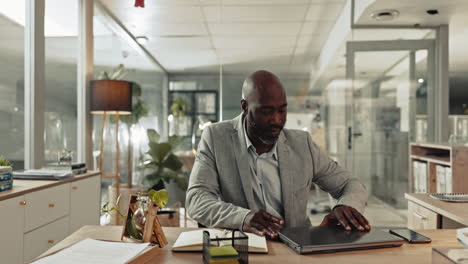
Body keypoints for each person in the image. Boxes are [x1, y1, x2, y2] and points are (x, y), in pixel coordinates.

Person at [186, 70, 370, 239]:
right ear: (245, 107)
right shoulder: (217, 138)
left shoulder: (302, 144)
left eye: (282, 110)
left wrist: (345, 207)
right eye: (266, 112)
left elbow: (350, 184)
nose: (276, 120)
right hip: (244, 248)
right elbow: (196, 199)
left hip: (297, 249)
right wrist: (245, 218)